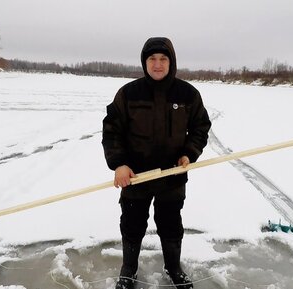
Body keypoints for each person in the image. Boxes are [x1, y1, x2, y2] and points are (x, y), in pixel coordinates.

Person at [102, 37, 211, 289]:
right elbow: (112, 130)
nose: (158, 64)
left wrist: (189, 153)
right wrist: (119, 164)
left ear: (171, 62)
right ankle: (128, 269)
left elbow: (200, 127)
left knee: (171, 225)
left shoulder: (187, 94)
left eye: (163, 59)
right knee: (132, 224)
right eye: (152, 59)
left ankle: (173, 267)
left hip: (172, 175)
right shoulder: (128, 93)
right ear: (145, 62)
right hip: (136, 176)